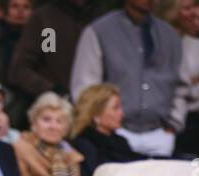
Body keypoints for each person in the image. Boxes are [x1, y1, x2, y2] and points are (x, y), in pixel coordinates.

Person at [69, 0, 188, 157]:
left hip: (160, 134)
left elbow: (182, 86)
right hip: (114, 134)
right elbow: (85, 89)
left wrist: (174, 124)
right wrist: (100, 128)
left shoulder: (170, 35)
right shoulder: (99, 31)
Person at [9, 0, 107, 103]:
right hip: (53, 108)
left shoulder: (103, 20)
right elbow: (19, 69)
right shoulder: (45, 19)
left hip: (95, 107)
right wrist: (51, 90)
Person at [69, 83, 141, 176]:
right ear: (96, 115)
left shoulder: (120, 142)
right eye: (115, 108)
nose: (122, 113)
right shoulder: (83, 144)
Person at [167, 0, 199, 158]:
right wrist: (190, 82)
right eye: (187, 9)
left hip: (194, 123)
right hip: (165, 121)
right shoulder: (160, 41)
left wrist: (187, 93)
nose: (193, 14)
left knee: (198, 174)